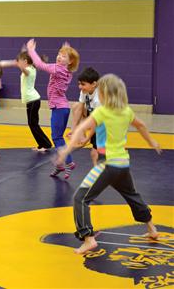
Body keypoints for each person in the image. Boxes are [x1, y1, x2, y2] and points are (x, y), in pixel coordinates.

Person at [56, 73, 161, 255]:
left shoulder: (102, 111)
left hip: (107, 164)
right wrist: (151, 142)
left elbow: (82, 127)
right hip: (122, 163)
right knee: (132, 195)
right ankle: (152, 229)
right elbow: (142, 125)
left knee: (80, 198)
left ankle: (88, 239)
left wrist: (66, 150)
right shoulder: (126, 111)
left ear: (104, 94)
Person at [27, 38, 80, 179]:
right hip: (64, 107)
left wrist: (31, 50)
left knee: (56, 138)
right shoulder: (68, 71)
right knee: (59, 138)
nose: (59, 57)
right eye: (58, 54)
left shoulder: (57, 69)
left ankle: (69, 161)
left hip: (58, 108)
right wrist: (66, 49)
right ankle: (59, 165)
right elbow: (67, 59)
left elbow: (39, 64)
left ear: (69, 62)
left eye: (63, 56)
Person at [1, 50, 52, 152]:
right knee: (33, 124)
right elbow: (24, 69)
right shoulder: (31, 68)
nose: (18, 62)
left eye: (20, 60)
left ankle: (46, 144)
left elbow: (25, 71)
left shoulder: (29, 70)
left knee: (33, 124)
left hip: (33, 100)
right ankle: (42, 144)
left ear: (25, 61)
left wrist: (18, 64)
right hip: (32, 100)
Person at [69, 67, 106, 166]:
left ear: (94, 84)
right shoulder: (84, 92)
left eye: (83, 84)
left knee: (95, 152)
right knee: (76, 106)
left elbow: (97, 122)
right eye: (79, 84)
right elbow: (79, 109)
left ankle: (100, 172)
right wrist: (73, 129)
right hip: (93, 116)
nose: (80, 87)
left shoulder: (99, 98)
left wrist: (88, 138)